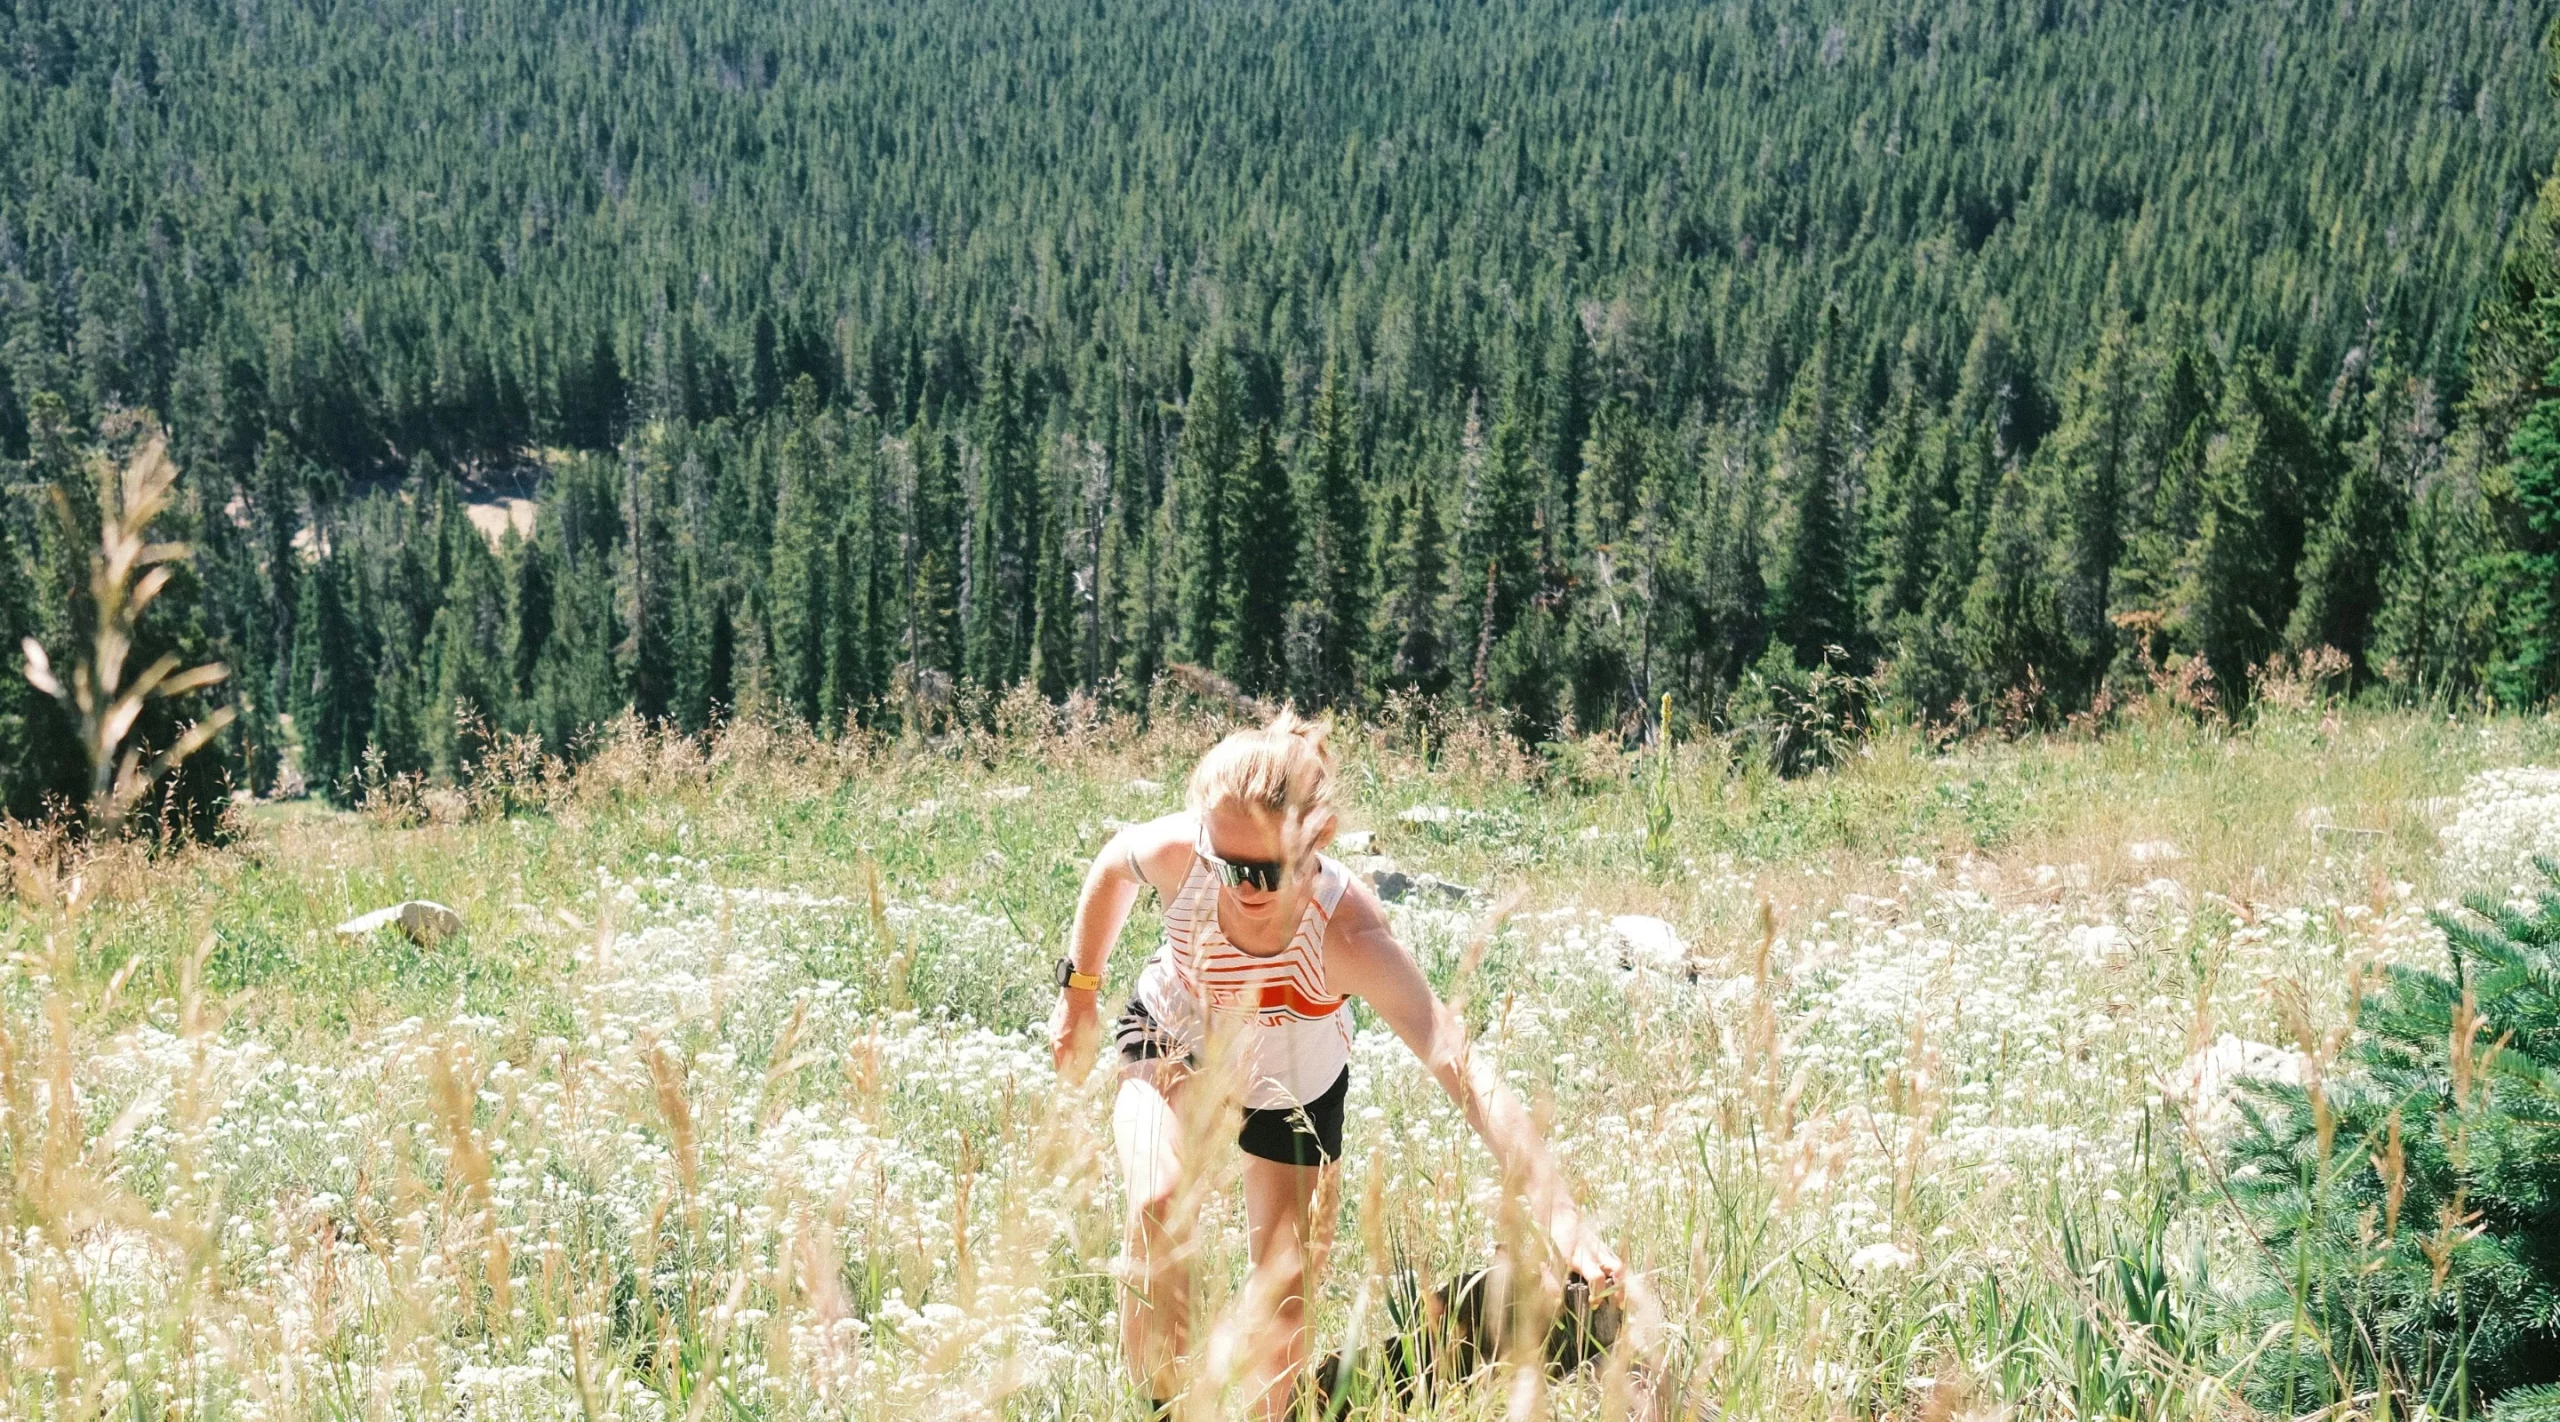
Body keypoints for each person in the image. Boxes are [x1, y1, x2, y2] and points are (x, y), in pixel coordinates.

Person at [1047, 711, 1626, 1417]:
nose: (1241, 888)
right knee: (1156, 1203)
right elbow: (1115, 863)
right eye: (1225, 865)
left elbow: (1459, 1061)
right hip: (1174, 1035)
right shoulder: (1184, 853)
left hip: (1290, 1088)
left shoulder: (1348, 933)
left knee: (1282, 1307)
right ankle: (1160, 1409)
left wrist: (1560, 1212)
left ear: (1314, 846)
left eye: (1265, 870)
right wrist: (1079, 993)